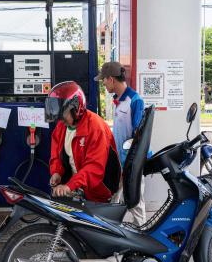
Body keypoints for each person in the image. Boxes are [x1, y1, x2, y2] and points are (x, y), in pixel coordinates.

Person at [45, 81, 119, 202]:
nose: (59, 118)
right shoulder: (61, 127)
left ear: (76, 108)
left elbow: (94, 167)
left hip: (100, 191)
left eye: (62, 112)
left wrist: (70, 185)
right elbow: (56, 155)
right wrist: (56, 172)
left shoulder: (96, 128)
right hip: (78, 187)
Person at [96, 61, 148, 225]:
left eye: (103, 80)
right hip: (120, 162)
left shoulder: (134, 100)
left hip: (132, 163)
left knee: (135, 202)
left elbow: (138, 136)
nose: (103, 83)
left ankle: (144, 235)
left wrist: (131, 164)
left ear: (111, 79)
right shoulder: (119, 100)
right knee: (112, 199)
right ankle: (109, 231)